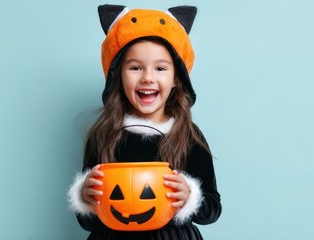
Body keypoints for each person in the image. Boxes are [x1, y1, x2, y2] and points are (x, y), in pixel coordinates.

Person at [67, 4, 221, 240]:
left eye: (160, 68)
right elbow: (86, 222)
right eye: (136, 67)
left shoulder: (188, 135)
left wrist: (189, 197)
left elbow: (212, 210)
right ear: (118, 75)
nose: (148, 77)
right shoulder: (103, 135)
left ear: (176, 79)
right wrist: (86, 198)